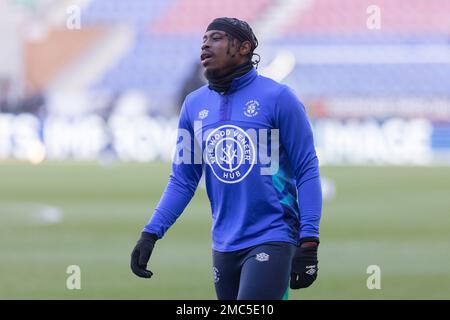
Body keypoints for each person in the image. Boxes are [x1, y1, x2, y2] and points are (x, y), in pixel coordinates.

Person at [131, 17, 322, 300]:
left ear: (244, 48)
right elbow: (183, 180)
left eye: (217, 38)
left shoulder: (279, 98)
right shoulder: (194, 104)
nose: (206, 44)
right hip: (224, 243)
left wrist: (309, 241)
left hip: (273, 235)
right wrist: (150, 233)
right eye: (203, 40)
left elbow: (306, 169)